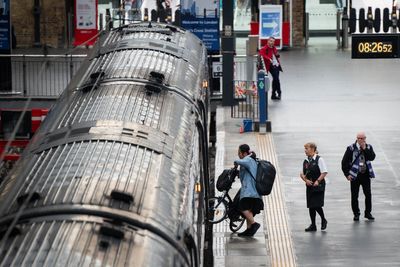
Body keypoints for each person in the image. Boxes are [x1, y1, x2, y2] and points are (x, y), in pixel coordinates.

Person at [341, 132, 376, 221]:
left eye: (362, 138)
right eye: (358, 138)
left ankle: (368, 213)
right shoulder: (351, 148)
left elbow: (372, 157)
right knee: (354, 196)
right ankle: (356, 214)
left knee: (368, 194)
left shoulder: (368, 147)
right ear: (356, 138)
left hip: (365, 175)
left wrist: (364, 149)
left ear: (365, 138)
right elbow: (344, 162)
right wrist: (347, 175)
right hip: (354, 175)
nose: (360, 140)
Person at [233, 144, 264, 237]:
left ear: (244, 153)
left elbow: (241, 161)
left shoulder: (248, 159)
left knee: (242, 207)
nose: (238, 155)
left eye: (239, 153)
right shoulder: (251, 159)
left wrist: (236, 161)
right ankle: (249, 230)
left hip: (250, 192)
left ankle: (254, 224)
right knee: (249, 210)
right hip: (252, 191)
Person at [299, 142, 328, 232]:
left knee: (316, 204)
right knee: (311, 206)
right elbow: (303, 174)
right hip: (310, 185)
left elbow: (324, 172)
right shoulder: (306, 161)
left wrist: (317, 181)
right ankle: (313, 225)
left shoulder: (319, 159)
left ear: (312, 149)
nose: (305, 151)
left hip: (318, 185)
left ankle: (323, 219)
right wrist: (305, 180)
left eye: (306, 148)